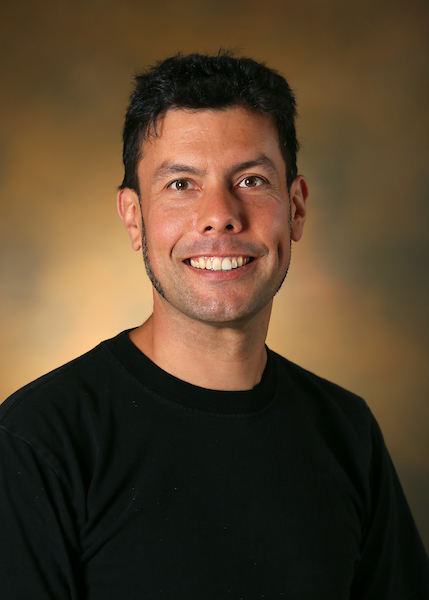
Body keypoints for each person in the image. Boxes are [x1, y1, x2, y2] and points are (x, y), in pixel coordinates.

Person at [0, 51, 428, 600]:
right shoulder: (38, 443)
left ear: (296, 208)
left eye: (251, 180)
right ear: (133, 217)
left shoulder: (347, 433)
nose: (220, 215)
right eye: (181, 184)